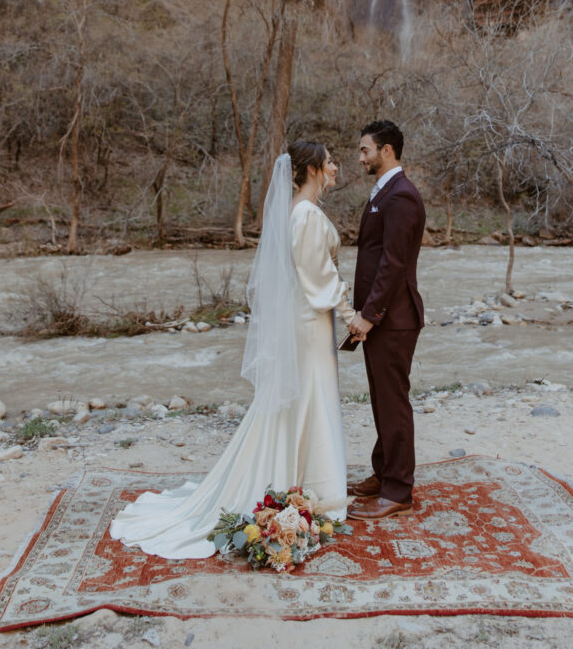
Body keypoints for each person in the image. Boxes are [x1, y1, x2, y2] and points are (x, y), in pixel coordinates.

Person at [110, 141, 354, 559]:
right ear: (313, 168)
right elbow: (320, 277)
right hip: (310, 322)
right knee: (313, 394)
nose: (336, 168)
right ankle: (312, 489)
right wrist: (351, 315)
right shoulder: (307, 214)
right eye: (330, 162)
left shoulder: (293, 211)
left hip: (303, 319)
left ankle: (302, 483)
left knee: (303, 399)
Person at [346, 119, 426, 520]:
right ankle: (383, 473)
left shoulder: (401, 198)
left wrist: (369, 316)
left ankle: (399, 491)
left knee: (393, 402)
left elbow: (393, 264)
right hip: (380, 318)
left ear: (387, 151)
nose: (361, 157)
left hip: (393, 320)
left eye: (365, 150)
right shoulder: (385, 193)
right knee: (381, 398)